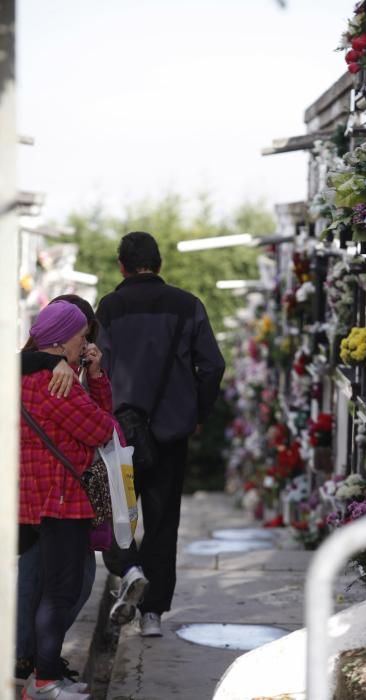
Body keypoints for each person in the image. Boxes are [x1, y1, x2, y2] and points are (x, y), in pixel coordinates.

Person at [96, 230, 225, 637]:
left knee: (117, 512)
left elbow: (99, 367)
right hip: (171, 434)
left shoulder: (111, 308)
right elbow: (213, 366)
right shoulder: (188, 305)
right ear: (160, 264)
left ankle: (131, 569)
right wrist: (197, 412)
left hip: (119, 433)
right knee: (163, 519)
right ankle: (152, 615)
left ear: (122, 265)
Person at [20, 300, 116, 700]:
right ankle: (44, 679)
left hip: (36, 496)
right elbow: (101, 428)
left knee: (46, 586)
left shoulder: (30, 375)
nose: (85, 342)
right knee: (60, 591)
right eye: (81, 335)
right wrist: (90, 378)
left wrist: (90, 374)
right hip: (60, 496)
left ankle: (41, 672)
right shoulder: (54, 383)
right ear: (61, 340)